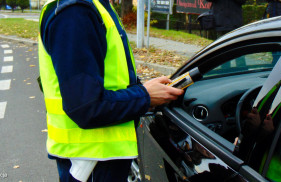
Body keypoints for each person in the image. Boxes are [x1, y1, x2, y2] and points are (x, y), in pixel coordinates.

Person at [38, 0, 184, 181]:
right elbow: (86, 106)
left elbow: (109, 80)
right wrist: (145, 96)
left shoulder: (93, 6)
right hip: (90, 165)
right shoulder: (76, 12)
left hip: (97, 160)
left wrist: (144, 91)